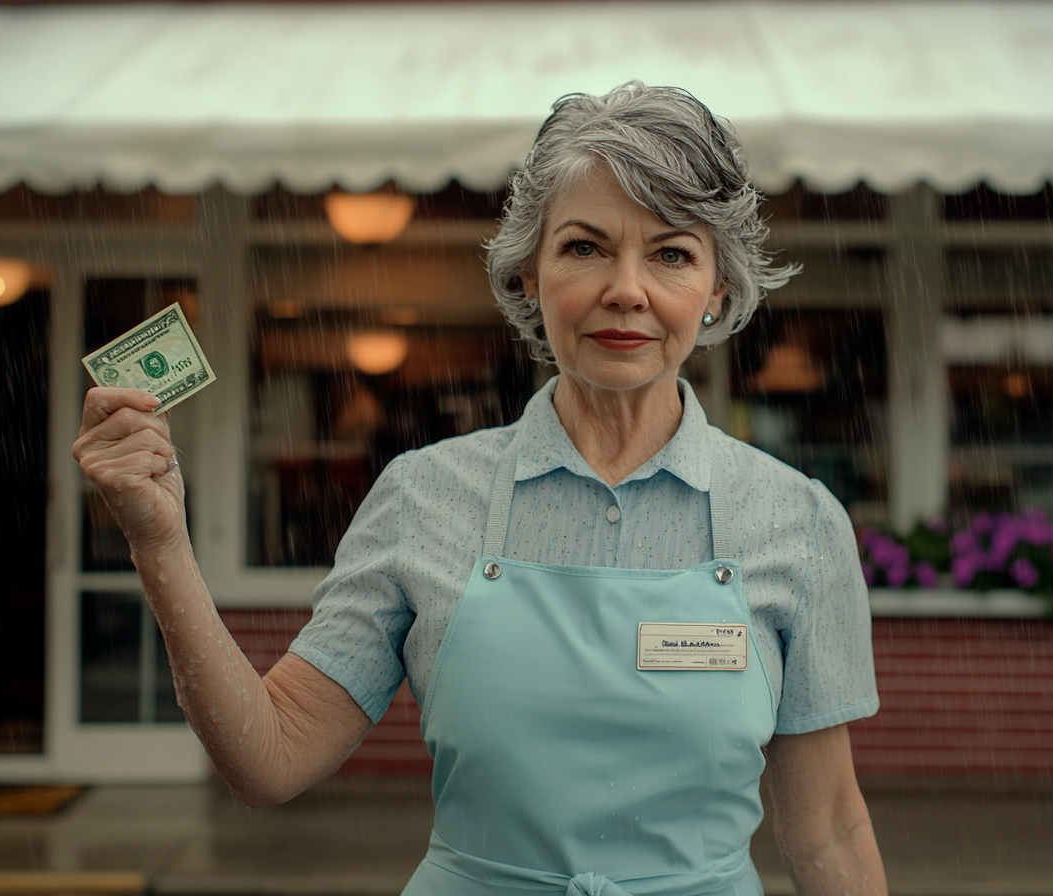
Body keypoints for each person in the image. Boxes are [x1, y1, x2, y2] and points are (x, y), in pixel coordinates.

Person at [74, 82, 885, 896]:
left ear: (715, 290)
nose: (626, 289)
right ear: (529, 274)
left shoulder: (799, 523)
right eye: (584, 247)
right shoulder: (421, 496)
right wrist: (159, 540)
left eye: (671, 253)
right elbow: (270, 757)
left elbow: (830, 833)